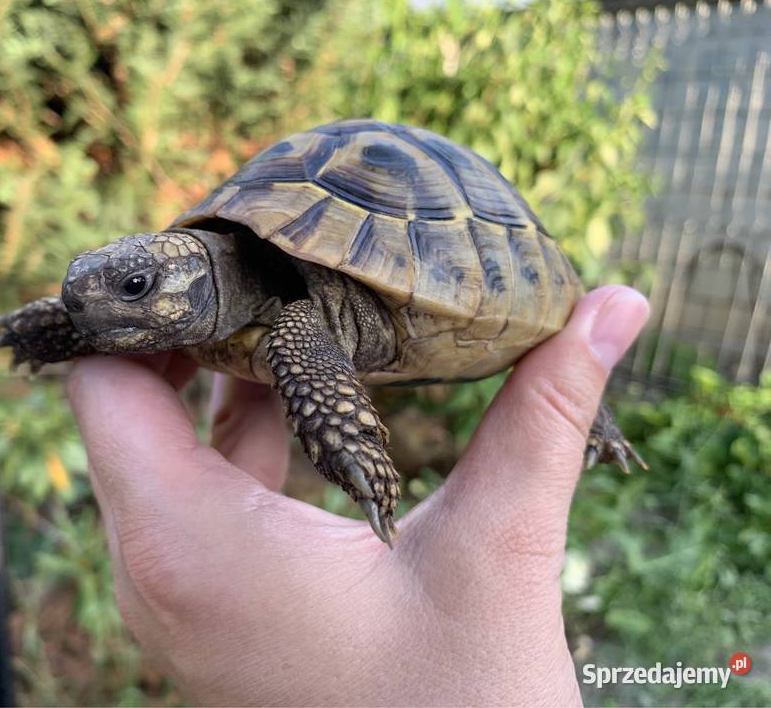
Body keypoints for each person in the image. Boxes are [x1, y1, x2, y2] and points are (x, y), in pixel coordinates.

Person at [66, 285, 650, 706]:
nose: (96, 299)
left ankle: (590, 406)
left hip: (323, 314)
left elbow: (302, 316)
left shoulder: (300, 319)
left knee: (301, 325)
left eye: (138, 287)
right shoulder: (248, 308)